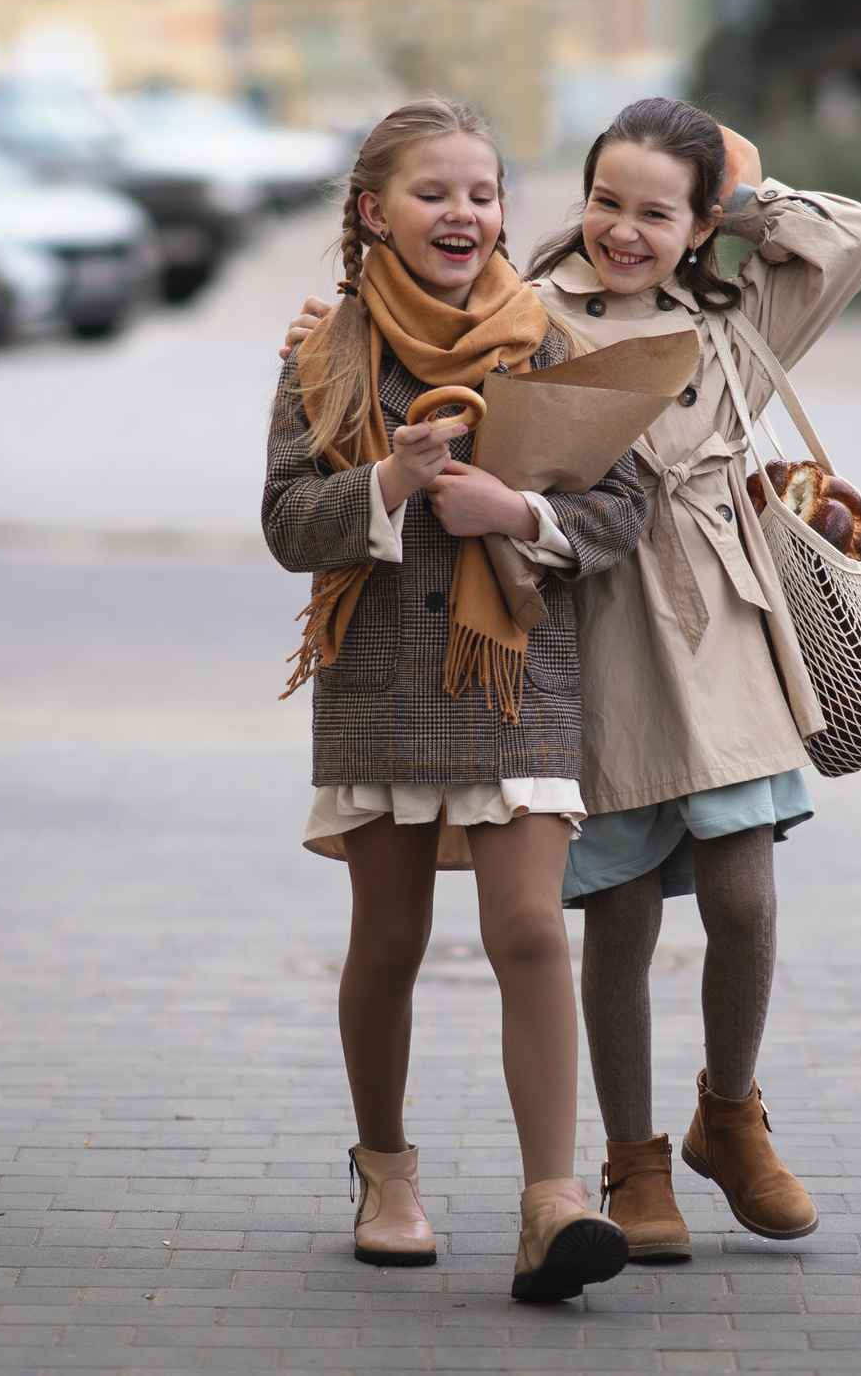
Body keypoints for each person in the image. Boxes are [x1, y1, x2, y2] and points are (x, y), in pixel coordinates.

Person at [283, 96, 861, 1263]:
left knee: (740, 894)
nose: (623, 228)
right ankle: (623, 1163)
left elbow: (859, 236)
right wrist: (347, 364)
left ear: (700, 219)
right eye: (603, 201)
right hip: (578, 632)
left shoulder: (728, 313)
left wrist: (738, 200)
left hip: (706, 626)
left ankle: (725, 1114)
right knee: (602, 911)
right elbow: (427, 324)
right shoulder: (538, 314)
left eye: (657, 211)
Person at [262, 96, 654, 1302]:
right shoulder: (323, 352)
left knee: (531, 929)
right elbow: (285, 524)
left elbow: (620, 510)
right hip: (378, 681)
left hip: (514, 678)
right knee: (388, 939)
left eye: (482, 194)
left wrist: (517, 514)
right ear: (375, 212)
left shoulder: (546, 341)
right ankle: (385, 1173)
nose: (465, 214)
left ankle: (553, 1205)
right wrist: (384, 481)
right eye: (436, 193)